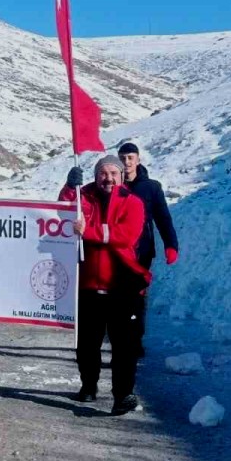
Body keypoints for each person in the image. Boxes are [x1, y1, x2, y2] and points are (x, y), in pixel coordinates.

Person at [72, 155, 151, 416]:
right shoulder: (84, 197)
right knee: (87, 344)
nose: (108, 178)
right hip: (88, 285)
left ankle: (123, 394)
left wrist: (89, 231)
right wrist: (68, 185)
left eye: (113, 173)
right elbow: (66, 209)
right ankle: (89, 384)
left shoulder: (133, 202)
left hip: (123, 287)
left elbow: (124, 235)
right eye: (103, 173)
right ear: (96, 176)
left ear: (121, 176)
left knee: (125, 346)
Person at [117, 143, 179, 270]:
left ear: (138, 160)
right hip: (116, 248)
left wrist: (171, 245)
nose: (126, 162)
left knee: (138, 287)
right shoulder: (112, 186)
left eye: (130, 157)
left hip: (143, 249)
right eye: (122, 158)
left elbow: (163, 219)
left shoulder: (152, 187)